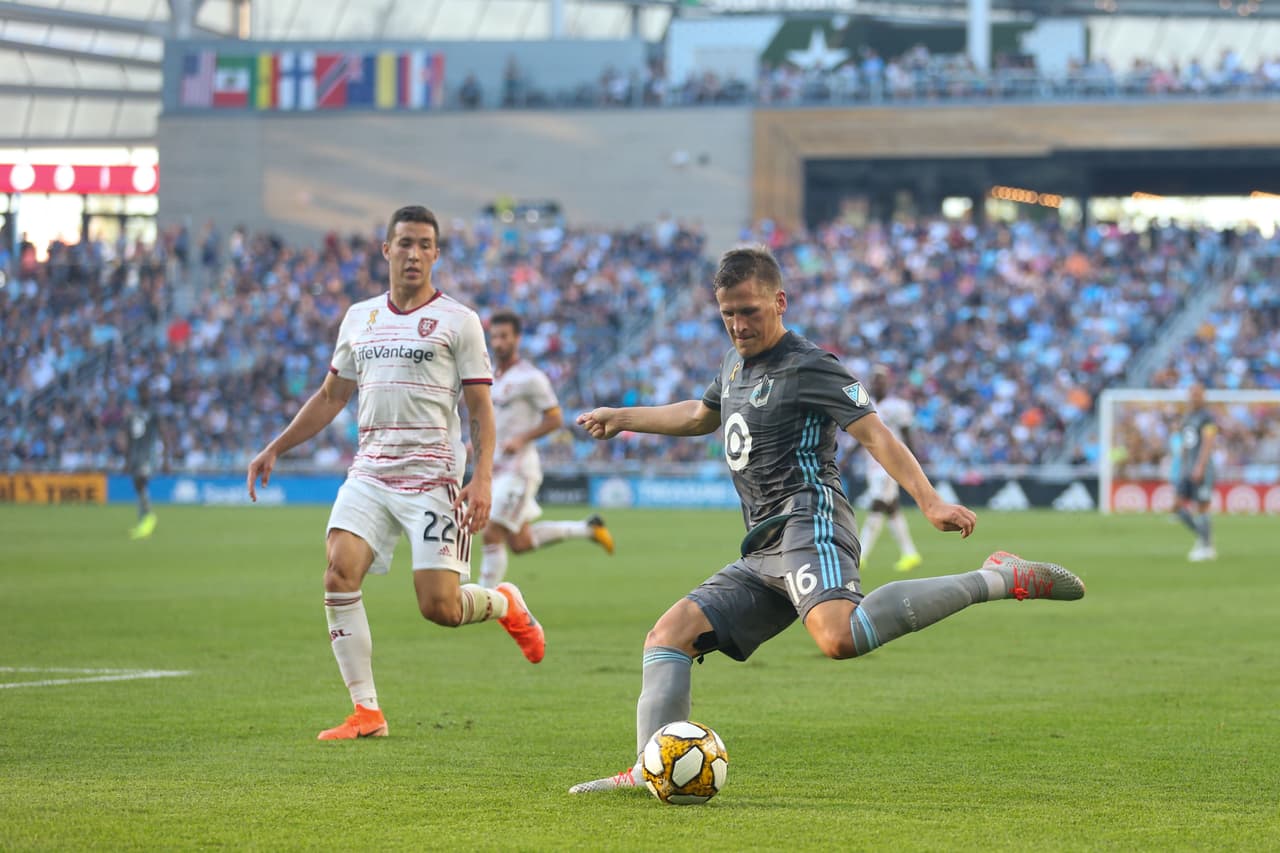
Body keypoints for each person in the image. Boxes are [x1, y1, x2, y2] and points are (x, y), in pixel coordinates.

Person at [568, 246, 1085, 793]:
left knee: (838, 637)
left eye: (749, 311)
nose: (739, 325)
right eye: (728, 314)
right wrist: (622, 418)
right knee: (668, 635)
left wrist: (929, 501)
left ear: (780, 301)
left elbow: (875, 433)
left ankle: (996, 578)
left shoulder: (810, 364)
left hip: (808, 519)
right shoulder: (732, 364)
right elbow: (701, 416)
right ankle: (647, 767)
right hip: (762, 543)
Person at [246, 205, 545, 742]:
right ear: (387, 250)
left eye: (424, 244)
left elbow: (480, 410)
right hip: (370, 473)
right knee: (338, 571)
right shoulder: (360, 317)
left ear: (435, 254)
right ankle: (367, 712)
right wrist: (276, 447)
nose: (413, 253)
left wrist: (482, 479)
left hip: (435, 481)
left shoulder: (460, 321)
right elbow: (331, 395)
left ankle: (505, 602)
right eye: (404, 242)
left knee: (441, 608)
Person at [479, 310, 615, 589]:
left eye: (504, 336)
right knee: (520, 542)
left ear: (517, 338)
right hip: (497, 468)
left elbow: (554, 417)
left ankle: (484, 598)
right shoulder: (492, 376)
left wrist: (522, 438)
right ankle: (588, 529)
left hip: (519, 470)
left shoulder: (531, 378)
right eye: (494, 337)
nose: (499, 343)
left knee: (492, 533)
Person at [857, 365, 922, 572]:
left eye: (882, 380)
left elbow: (906, 434)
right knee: (892, 508)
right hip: (872, 462)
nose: (878, 383)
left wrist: (912, 463)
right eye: (875, 380)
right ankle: (910, 553)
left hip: (889, 464)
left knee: (877, 504)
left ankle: (860, 554)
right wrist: (846, 458)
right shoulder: (866, 405)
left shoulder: (898, 407)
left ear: (888, 382)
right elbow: (861, 435)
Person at [1172, 382, 1217, 561]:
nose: (1194, 396)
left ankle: (1206, 547)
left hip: (1202, 468)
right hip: (1187, 468)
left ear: (1203, 395)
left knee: (1202, 506)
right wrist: (1183, 465)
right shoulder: (1188, 416)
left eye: (1198, 393)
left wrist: (1200, 466)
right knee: (1177, 506)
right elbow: (1185, 444)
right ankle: (1203, 537)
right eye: (1192, 393)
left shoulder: (1207, 417)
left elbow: (1208, 443)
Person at [125, 382, 165, 540]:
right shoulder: (133, 413)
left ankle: (149, 516)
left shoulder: (154, 412)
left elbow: (163, 433)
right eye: (142, 392)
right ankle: (143, 520)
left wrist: (167, 458)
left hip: (148, 455)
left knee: (141, 481)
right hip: (135, 454)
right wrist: (126, 459)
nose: (144, 395)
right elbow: (129, 437)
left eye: (146, 392)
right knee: (137, 485)